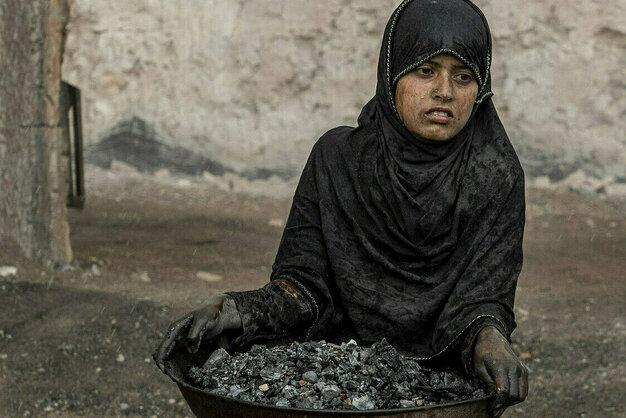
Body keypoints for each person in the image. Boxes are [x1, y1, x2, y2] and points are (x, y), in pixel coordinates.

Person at [154, 0, 527, 415]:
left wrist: (491, 337)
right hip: (333, 365)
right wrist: (236, 309)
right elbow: (304, 287)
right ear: (391, 74)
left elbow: (484, 300)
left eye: (463, 76)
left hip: (440, 374)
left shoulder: (495, 175)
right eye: (425, 71)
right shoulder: (337, 159)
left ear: (481, 89)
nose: (445, 91)